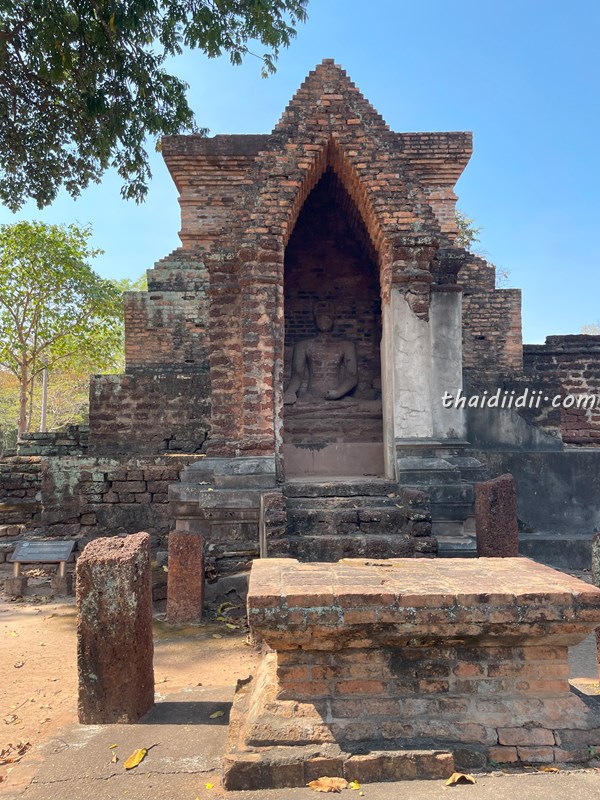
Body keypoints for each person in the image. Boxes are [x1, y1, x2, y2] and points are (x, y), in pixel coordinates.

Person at [284, 301, 358, 405]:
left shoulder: (346, 346)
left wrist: (338, 393)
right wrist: (290, 392)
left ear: (334, 320)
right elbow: (297, 374)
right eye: (320, 316)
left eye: (328, 316)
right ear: (314, 319)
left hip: (337, 398)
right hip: (310, 397)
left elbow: (352, 377)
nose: (324, 319)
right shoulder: (303, 345)